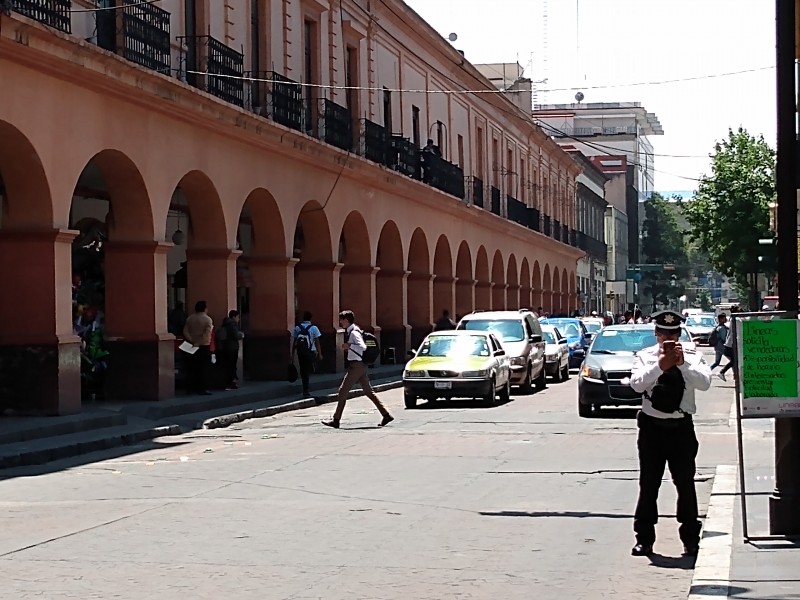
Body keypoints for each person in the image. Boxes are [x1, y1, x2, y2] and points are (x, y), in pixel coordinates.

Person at [629, 310, 712, 557]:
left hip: (680, 428)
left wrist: (681, 364)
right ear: (656, 333)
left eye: (673, 333)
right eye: (663, 333)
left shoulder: (692, 356)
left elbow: (705, 383)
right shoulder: (645, 357)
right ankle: (644, 538)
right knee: (649, 484)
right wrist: (660, 366)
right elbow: (636, 384)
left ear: (679, 333)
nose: (667, 337)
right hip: (652, 428)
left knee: (685, 485)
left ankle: (690, 539)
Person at [322, 310, 393, 429]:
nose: (340, 322)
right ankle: (386, 414)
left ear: (346, 320)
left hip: (356, 365)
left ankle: (336, 419)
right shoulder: (353, 330)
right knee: (368, 392)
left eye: (341, 320)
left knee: (342, 391)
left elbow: (362, 346)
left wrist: (349, 346)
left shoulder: (354, 333)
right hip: (360, 365)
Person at [183, 300, 214, 395]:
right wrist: (199, 343)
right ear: (205, 308)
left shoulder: (190, 318)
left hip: (190, 345)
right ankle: (202, 388)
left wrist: (192, 340)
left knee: (191, 367)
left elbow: (185, 331)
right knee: (203, 368)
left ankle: (191, 387)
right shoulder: (208, 319)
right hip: (203, 346)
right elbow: (207, 335)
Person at [291, 311, 323, 398]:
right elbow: (317, 342)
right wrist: (320, 354)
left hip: (300, 352)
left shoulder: (297, 328)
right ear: (310, 318)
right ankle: (306, 389)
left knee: (303, 369)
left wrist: (292, 354)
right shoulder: (314, 328)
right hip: (310, 351)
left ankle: (305, 386)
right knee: (307, 369)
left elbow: (295, 341)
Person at [217, 309, 244, 390]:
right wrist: (241, 335)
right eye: (238, 317)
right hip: (232, 348)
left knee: (228, 366)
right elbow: (236, 335)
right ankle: (230, 383)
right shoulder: (232, 325)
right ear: (234, 317)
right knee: (231, 366)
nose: (238, 319)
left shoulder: (225, 324)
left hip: (225, 347)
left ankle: (230, 383)